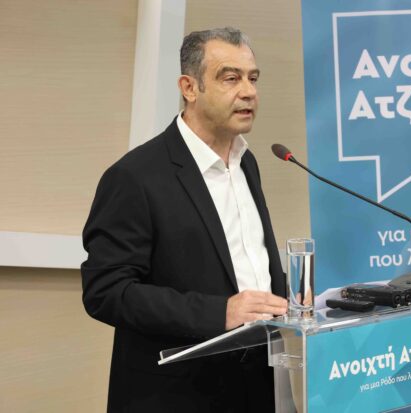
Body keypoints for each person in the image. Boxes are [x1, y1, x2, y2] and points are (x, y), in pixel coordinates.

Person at [81, 27, 288, 412]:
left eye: (253, 78)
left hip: (259, 384)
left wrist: (288, 296)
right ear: (189, 88)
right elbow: (106, 292)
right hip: (179, 395)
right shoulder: (135, 177)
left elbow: (243, 264)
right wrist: (219, 312)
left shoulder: (247, 163)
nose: (249, 91)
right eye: (231, 78)